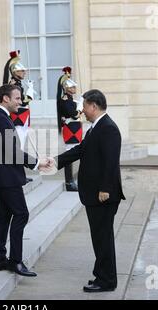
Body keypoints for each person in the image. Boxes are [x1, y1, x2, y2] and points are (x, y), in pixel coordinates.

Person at [51, 89, 126, 292]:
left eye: (84, 106)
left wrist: (105, 189)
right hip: (95, 195)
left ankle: (107, 281)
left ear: (94, 106)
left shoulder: (108, 128)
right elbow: (80, 150)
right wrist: (54, 161)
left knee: (103, 239)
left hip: (103, 195)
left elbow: (111, 163)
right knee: (99, 238)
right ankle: (101, 275)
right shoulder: (96, 127)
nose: (81, 110)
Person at [0, 84, 51, 277]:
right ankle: (15, 261)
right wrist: (37, 163)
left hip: (5, 176)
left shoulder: (1, 117)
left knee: (4, 217)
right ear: (5, 99)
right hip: (7, 178)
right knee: (21, 214)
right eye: (17, 98)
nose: (20, 102)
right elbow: (11, 151)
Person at [3, 51, 35, 184]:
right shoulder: (13, 85)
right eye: (21, 71)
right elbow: (22, 101)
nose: (24, 73)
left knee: (20, 145)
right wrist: (30, 93)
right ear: (14, 72)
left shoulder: (18, 84)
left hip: (22, 116)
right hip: (18, 117)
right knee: (18, 146)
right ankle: (18, 174)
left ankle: (20, 173)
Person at [56, 67, 83, 192]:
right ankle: (69, 182)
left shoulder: (71, 99)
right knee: (69, 155)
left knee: (73, 153)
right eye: (71, 87)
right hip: (70, 128)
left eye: (74, 87)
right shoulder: (65, 100)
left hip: (75, 128)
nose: (74, 89)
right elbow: (74, 114)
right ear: (66, 88)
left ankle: (72, 180)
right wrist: (80, 108)